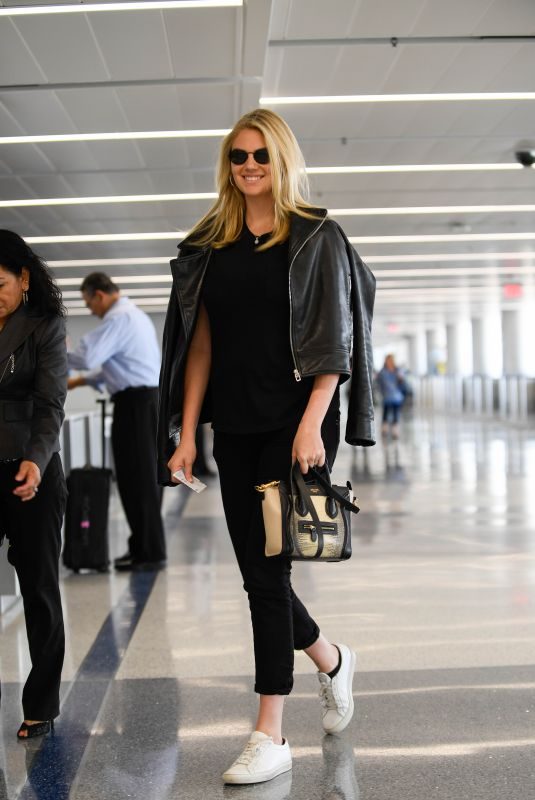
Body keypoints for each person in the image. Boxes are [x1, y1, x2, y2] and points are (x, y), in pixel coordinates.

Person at [157, 108, 375, 785]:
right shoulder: (208, 248)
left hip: (293, 423)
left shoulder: (314, 238)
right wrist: (187, 433)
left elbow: (333, 342)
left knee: (268, 577)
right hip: (236, 425)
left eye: (259, 155)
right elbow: (199, 347)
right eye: (237, 157)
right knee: (258, 572)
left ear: (280, 159)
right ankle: (332, 660)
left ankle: (269, 733)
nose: (248, 166)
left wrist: (313, 420)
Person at [0, 229, 67, 740]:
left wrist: (36, 462)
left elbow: (50, 407)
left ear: (24, 279)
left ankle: (40, 704)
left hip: (32, 471)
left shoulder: (45, 327)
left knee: (38, 588)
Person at [67, 273, 166, 571]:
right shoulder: (133, 316)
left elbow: (89, 356)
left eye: (88, 303)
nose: (90, 311)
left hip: (137, 405)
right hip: (143, 402)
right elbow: (116, 366)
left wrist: (58, 351)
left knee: (139, 479)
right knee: (139, 478)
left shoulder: (118, 318)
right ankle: (144, 548)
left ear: (99, 294)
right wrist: (83, 381)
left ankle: (148, 551)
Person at [376, 354, 406, 439]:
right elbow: (379, 383)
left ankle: (395, 430)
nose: (389, 362)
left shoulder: (398, 370)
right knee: (386, 412)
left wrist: (401, 380)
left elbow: (403, 384)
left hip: (397, 396)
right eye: (387, 360)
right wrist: (382, 392)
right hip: (386, 397)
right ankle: (384, 429)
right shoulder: (382, 372)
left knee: (396, 413)